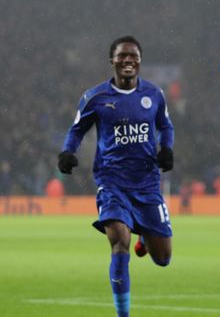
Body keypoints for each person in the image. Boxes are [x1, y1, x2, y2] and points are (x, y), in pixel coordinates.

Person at [57, 36, 174, 317]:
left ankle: (145, 237)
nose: (128, 60)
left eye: (133, 55)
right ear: (112, 61)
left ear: (140, 60)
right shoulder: (95, 98)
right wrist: (67, 152)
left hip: (146, 183)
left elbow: (165, 126)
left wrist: (166, 148)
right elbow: (76, 130)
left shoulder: (154, 95)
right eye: (122, 56)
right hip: (112, 182)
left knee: (163, 258)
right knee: (119, 242)